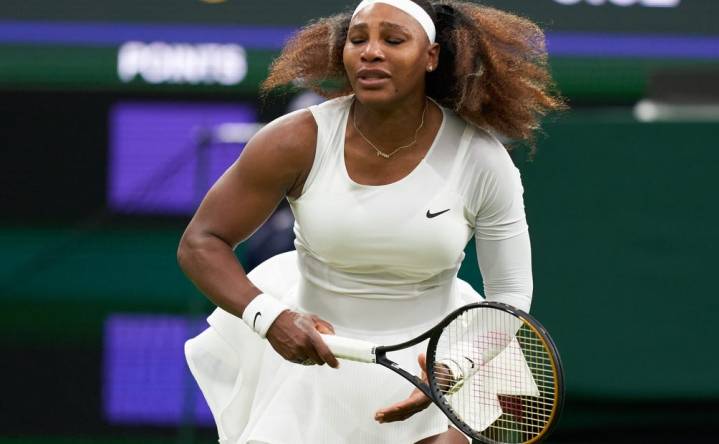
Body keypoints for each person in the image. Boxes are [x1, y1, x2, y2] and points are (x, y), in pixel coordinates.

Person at [177, 1, 564, 443]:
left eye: (393, 40)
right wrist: (271, 317)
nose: (371, 52)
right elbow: (201, 242)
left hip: (438, 359)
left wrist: (453, 370)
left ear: (431, 56)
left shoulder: (482, 160)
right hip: (308, 363)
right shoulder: (294, 140)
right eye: (358, 39)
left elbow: (511, 293)